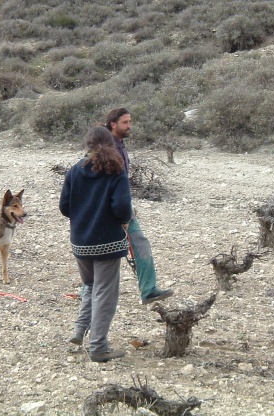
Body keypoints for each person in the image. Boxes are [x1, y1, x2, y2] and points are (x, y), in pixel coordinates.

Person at [59, 126, 134, 363]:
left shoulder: (74, 171)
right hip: (109, 243)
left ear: (87, 145)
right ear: (110, 143)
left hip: (80, 243)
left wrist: (82, 215)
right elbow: (122, 208)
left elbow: (64, 207)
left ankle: (79, 330)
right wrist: (123, 222)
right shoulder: (116, 171)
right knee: (104, 293)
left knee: (90, 287)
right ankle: (98, 347)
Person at [105, 107, 174, 305]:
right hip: (112, 211)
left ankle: (149, 290)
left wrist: (126, 206)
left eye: (130, 122)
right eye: (125, 122)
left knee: (139, 243)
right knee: (104, 253)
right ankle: (88, 293)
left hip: (122, 208)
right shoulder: (108, 148)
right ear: (113, 124)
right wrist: (122, 212)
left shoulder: (119, 144)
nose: (129, 126)